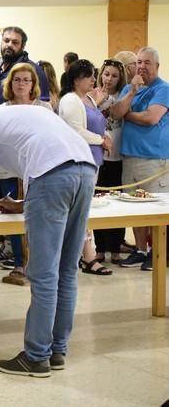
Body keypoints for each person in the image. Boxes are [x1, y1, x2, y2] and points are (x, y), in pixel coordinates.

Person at [0, 105, 96, 377]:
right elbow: (52, 164)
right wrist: (23, 204)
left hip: (53, 175)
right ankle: (57, 351)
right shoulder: (23, 116)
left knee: (43, 273)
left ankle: (36, 357)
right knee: (67, 270)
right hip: (86, 170)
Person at [0, 63, 53, 279]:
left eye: (26, 80)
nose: (21, 84)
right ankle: (18, 263)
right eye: (17, 80)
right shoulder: (1, 110)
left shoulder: (44, 109)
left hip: (38, 169)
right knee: (13, 217)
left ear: (34, 84)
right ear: (10, 84)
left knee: (37, 215)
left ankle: (38, 263)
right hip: (8, 170)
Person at [110, 47, 169, 271]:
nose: (142, 66)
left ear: (156, 66)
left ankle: (158, 253)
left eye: (147, 63)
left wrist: (129, 114)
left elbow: (151, 118)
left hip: (154, 160)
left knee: (156, 210)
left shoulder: (163, 89)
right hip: (130, 157)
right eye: (139, 62)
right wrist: (132, 92)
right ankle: (140, 250)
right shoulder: (129, 87)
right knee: (135, 208)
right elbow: (115, 112)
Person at [58, 59, 112, 275]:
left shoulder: (88, 98)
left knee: (85, 211)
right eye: (88, 75)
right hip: (79, 161)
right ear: (76, 79)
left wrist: (104, 136)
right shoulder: (70, 100)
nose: (93, 79)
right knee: (81, 212)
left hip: (93, 160)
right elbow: (76, 131)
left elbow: (96, 122)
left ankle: (88, 254)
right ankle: (87, 257)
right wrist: (102, 140)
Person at [93, 59, 128, 264]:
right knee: (99, 201)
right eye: (107, 74)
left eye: (114, 75)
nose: (109, 79)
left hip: (119, 156)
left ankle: (116, 247)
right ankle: (100, 248)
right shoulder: (94, 95)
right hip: (100, 156)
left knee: (118, 201)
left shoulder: (121, 97)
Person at [0, 26, 50, 112]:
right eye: (6, 40)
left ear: (22, 46)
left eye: (15, 42)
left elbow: (41, 108)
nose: (9, 45)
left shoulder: (33, 70)